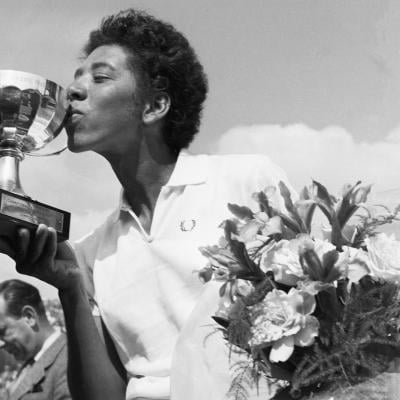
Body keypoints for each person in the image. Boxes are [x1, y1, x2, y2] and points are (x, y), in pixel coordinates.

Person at [0, 8, 296, 400]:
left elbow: (328, 315)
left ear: (154, 106)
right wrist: (70, 288)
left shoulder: (247, 183)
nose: (74, 90)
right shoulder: (91, 252)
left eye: (100, 77)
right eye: (77, 77)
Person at [0, 279, 70, 400]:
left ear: (29, 317)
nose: (0, 343)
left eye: (1, 331)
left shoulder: (69, 363)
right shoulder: (32, 359)